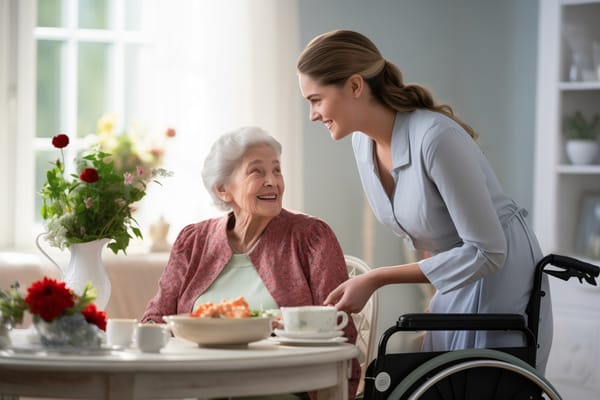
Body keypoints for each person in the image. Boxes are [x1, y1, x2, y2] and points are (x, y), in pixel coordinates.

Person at [297, 29, 552, 373]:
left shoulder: (435, 139)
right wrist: (435, 301)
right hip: (455, 270)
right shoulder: (362, 144)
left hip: (498, 273)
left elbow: (488, 251)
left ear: (355, 86)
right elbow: (429, 226)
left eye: (316, 99)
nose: (312, 114)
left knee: (476, 382)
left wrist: (376, 278)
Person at [142, 126, 359, 399]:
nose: (273, 181)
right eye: (257, 172)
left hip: (282, 388)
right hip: (198, 387)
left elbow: (339, 328)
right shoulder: (193, 240)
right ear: (223, 189)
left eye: (277, 170)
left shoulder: (311, 237)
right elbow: (156, 316)